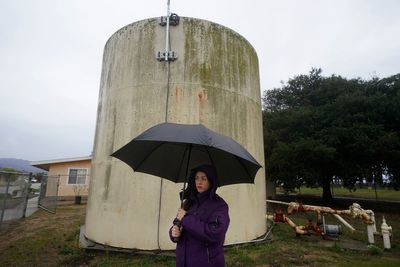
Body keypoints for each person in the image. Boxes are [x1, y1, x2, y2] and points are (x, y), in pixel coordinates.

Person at [169, 164, 230, 267]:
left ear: (211, 181)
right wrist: (174, 233)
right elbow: (178, 223)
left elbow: (214, 234)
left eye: (204, 178)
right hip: (183, 262)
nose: (199, 182)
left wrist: (186, 218)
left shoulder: (219, 205)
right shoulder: (189, 202)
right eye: (196, 178)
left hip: (206, 262)